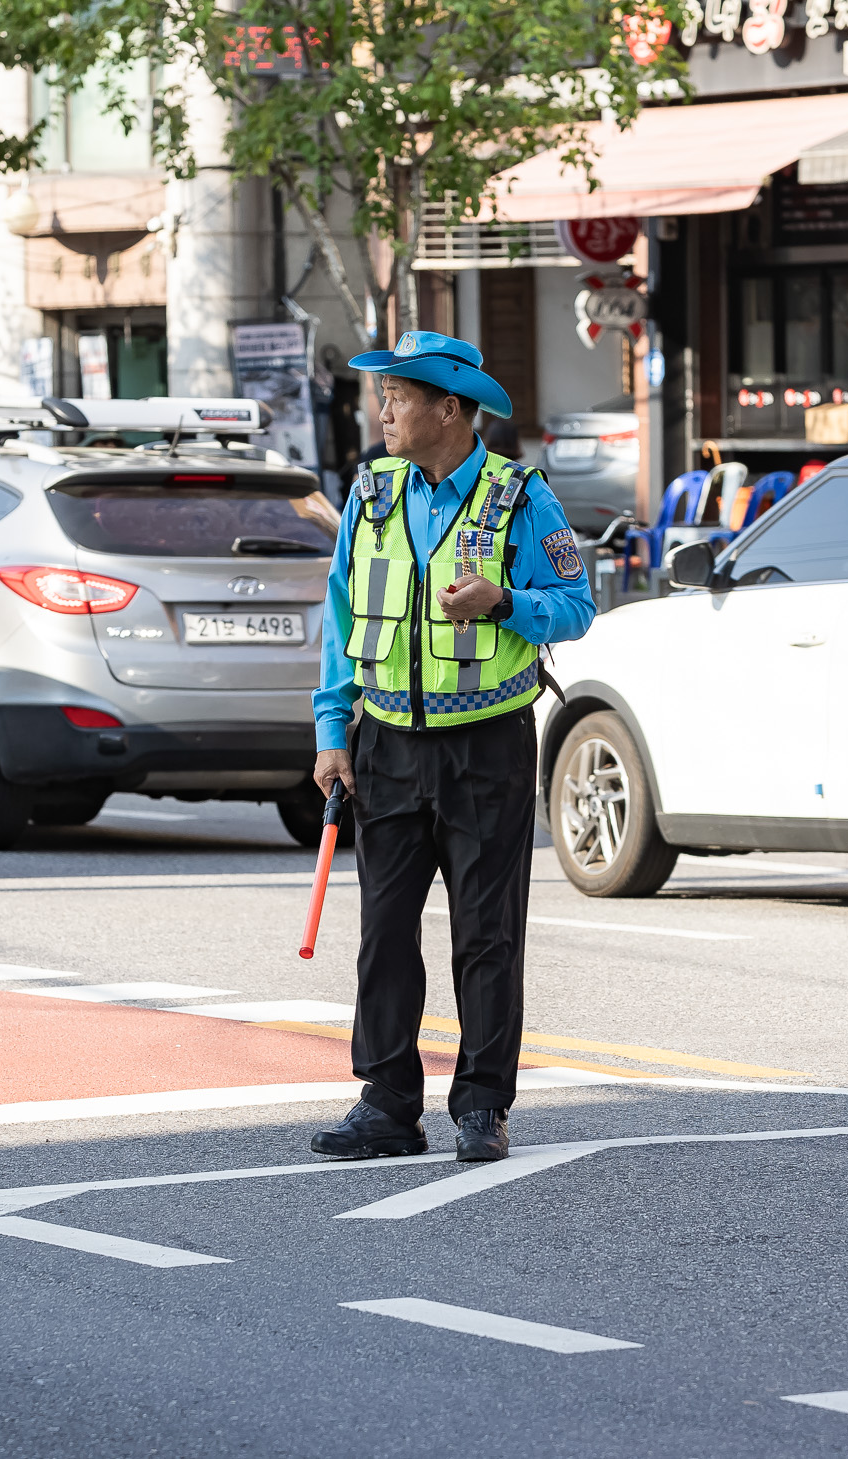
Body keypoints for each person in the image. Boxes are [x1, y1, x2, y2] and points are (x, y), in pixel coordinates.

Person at [307, 331, 596, 1164]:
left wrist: (506, 600)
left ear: (450, 409)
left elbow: (576, 606)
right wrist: (333, 731)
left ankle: (482, 1106)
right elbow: (339, 619)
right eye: (382, 391)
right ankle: (388, 1105)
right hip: (386, 742)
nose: (383, 407)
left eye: (399, 393)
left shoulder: (520, 496)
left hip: (487, 746)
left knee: (486, 933)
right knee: (384, 935)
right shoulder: (369, 495)